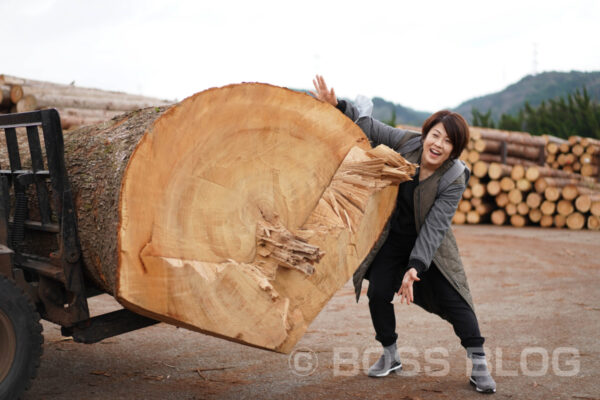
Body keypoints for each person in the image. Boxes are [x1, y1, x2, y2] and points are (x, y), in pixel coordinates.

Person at [310, 75, 496, 394]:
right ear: (426, 134)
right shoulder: (409, 142)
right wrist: (338, 106)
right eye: (435, 135)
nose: (438, 144)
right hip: (394, 237)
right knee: (378, 292)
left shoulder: (453, 176)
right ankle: (390, 354)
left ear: (454, 149)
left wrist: (416, 267)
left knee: (457, 301)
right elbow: (369, 127)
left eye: (448, 141)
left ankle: (479, 364)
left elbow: (436, 226)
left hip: (430, 248)